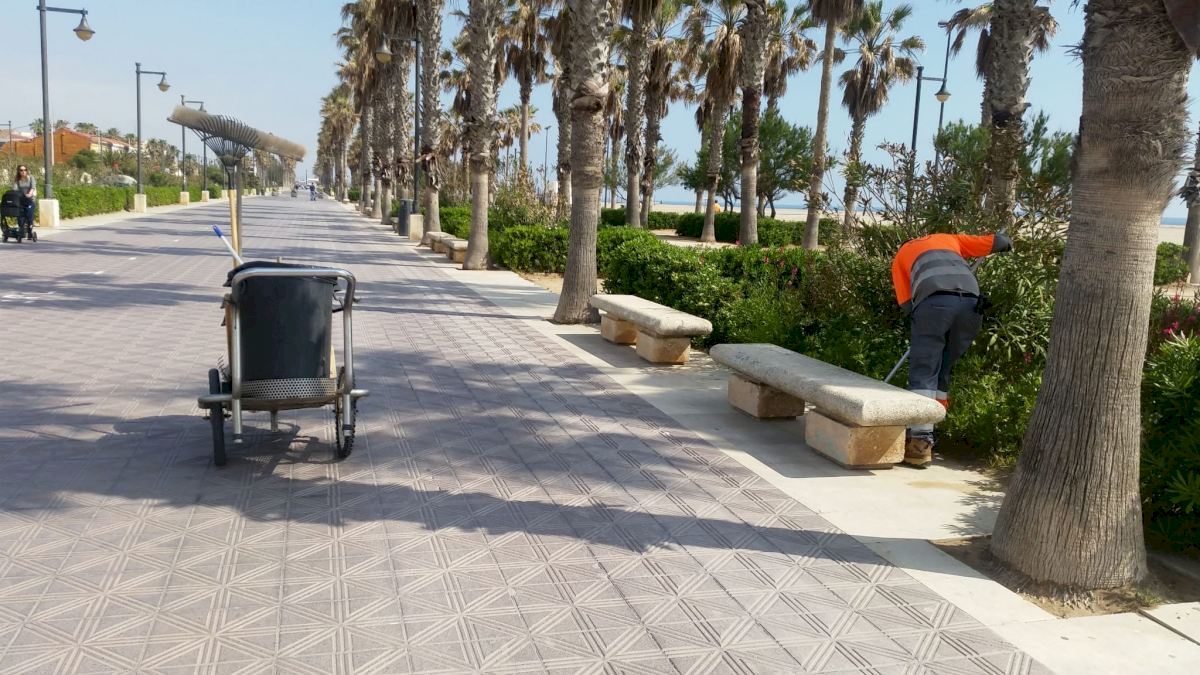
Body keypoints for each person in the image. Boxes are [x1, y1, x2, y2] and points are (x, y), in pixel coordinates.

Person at [891, 231, 1012, 468]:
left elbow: (905, 303)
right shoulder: (949, 239)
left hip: (934, 304)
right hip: (972, 307)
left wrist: (923, 320)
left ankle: (920, 442)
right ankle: (934, 428)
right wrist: (1004, 242)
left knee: (925, 369)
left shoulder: (901, 255)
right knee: (943, 369)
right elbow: (995, 242)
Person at [12, 165, 36, 235]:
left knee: (29, 214)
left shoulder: (31, 178)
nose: (23, 171)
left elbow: (33, 187)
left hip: (30, 200)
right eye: (21, 170)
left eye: (25, 170)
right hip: (21, 200)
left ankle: (30, 231)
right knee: (20, 216)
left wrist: (29, 194)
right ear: (19, 171)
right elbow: (15, 189)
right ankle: (21, 230)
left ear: (27, 171)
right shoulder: (17, 180)